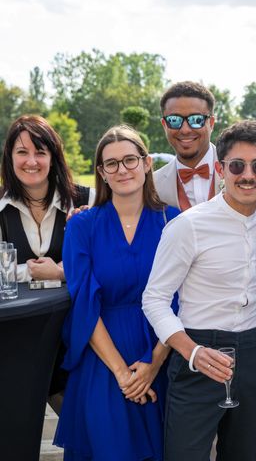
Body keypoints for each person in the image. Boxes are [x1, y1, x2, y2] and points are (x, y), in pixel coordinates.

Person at [142, 120, 256, 461]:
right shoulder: (188, 226)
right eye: (237, 165)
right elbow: (154, 299)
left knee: (244, 455)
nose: (247, 175)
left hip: (254, 356)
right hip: (197, 354)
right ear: (221, 169)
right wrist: (192, 352)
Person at [54, 125, 180, 460]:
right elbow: (84, 302)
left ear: (147, 162)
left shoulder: (176, 221)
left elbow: (182, 300)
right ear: (101, 173)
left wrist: (153, 364)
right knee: (110, 449)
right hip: (103, 359)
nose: (122, 169)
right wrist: (124, 375)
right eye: (111, 164)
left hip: (161, 352)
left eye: (130, 160)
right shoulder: (81, 226)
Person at [0, 115, 93, 414]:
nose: (31, 161)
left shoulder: (86, 198)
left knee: (82, 419)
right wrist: (32, 270)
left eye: (40, 152)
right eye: (22, 152)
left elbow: (105, 261)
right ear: (9, 157)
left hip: (77, 329)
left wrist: (63, 271)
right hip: (18, 334)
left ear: (53, 157)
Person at [154, 81, 220, 210]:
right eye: (175, 120)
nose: (185, 130)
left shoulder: (242, 170)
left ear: (211, 123)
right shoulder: (154, 185)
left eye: (196, 120)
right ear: (164, 125)